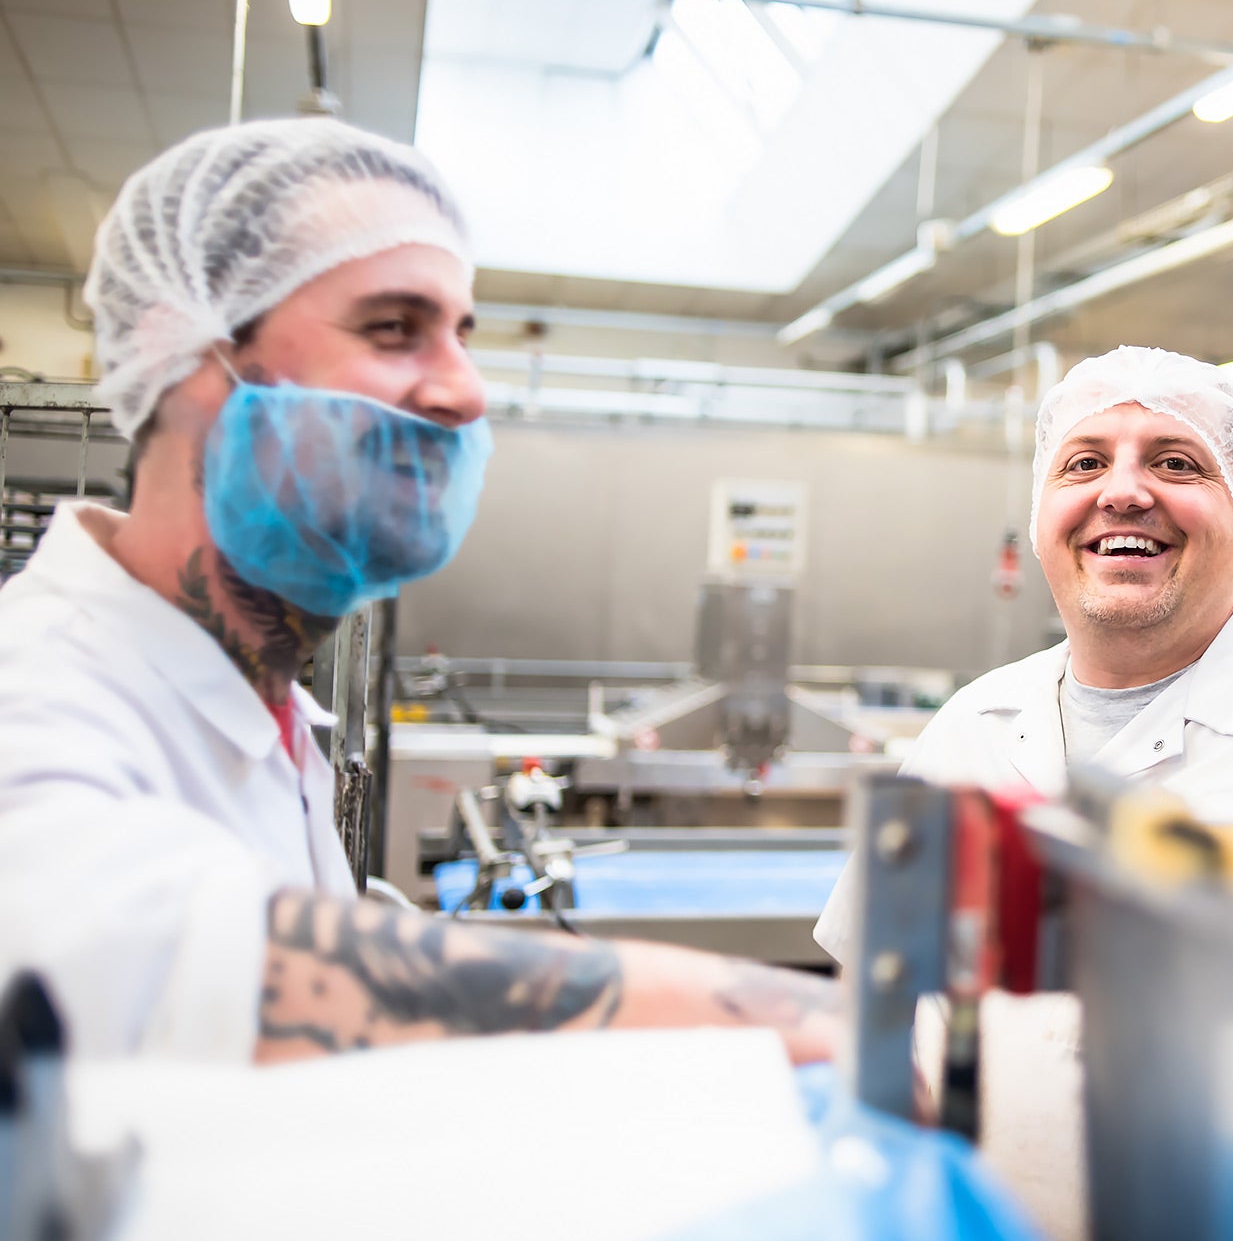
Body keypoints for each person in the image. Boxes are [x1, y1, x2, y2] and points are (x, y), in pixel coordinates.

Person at [0, 119, 838, 1063]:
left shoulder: (267, 714)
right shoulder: (38, 693)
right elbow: (123, 961)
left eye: (462, 333)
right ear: (185, 352)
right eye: (394, 327)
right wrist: (787, 1016)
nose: (465, 390)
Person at [816, 345, 1233, 961]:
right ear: (1042, 519)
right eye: (1084, 463)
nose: (1123, 492)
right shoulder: (972, 725)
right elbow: (875, 984)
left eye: (1176, 462)